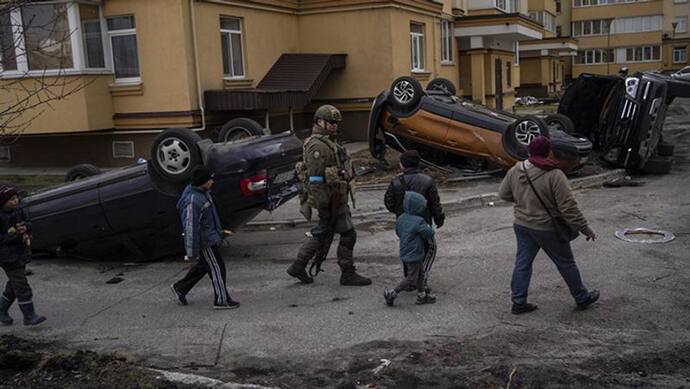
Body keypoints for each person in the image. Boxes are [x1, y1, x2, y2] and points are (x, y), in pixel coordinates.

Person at [498, 135, 599, 314]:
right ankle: (582, 297)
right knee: (566, 262)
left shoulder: (516, 169)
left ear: (529, 151)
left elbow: (504, 194)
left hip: (522, 225)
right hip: (546, 228)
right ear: (548, 152)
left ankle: (518, 302)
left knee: (523, 263)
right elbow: (568, 207)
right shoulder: (554, 174)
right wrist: (585, 228)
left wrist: (523, 200)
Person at [287, 105, 371, 286]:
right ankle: (347, 274)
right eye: (331, 122)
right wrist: (324, 205)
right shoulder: (317, 146)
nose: (334, 125)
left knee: (323, 233)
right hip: (329, 199)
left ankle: (298, 266)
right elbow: (316, 179)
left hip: (335, 197)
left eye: (336, 123)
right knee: (346, 234)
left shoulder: (329, 142)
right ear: (319, 122)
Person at [171, 166, 240, 310]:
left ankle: (180, 288)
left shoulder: (202, 193)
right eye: (210, 179)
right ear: (203, 182)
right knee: (217, 268)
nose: (213, 182)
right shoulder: (193, 201)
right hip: (205, 241)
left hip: (209, 237)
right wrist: (191, 251)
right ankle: (221, 300)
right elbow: (190, 227)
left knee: (204, 266)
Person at [384, 150, 444, 292]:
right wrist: (439, 218)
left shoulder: (396, 182)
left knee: (408, 248)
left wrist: (400, 213)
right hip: (423, 221)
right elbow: (435, 203)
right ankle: (420, 280)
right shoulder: (427, 181)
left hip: (403, 222)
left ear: (402, 165)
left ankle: (409, 278)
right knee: (426, 248)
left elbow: (389, 203)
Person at [0, 185, 46, 326]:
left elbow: (28, 223)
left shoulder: (19, 210)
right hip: (7, 257)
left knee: (14, 285)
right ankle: (29, 316)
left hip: (20, 253)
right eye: (11, 199)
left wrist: (26, 227)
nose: (15, 201)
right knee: (22, 286)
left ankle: (1, 310)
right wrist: (14, 235)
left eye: (16, 198)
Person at [384, 191, 436, 306]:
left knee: (420, 274)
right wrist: (428, 227)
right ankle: (392, 292)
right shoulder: (419, 221)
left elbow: (398, 232)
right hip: (415, 253)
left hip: (405, 250)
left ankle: (421, 295)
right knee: (411, 278)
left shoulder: (401, 218)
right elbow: (429, 233)